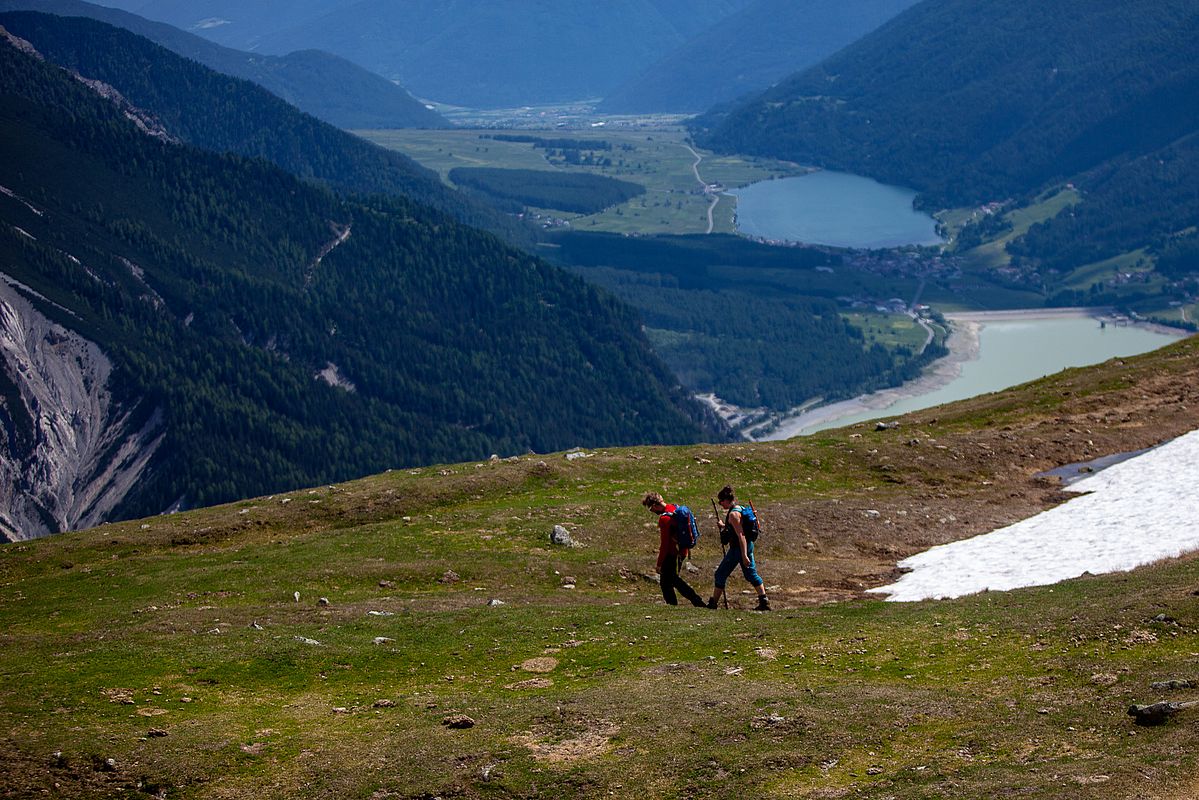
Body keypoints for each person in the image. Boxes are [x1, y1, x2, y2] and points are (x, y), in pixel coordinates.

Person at [708, 485, 770, 611]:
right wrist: (723, 526)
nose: (720, 504)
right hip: (748, 546)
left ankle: (713, 603)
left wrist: (744, 555)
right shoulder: (740, 508)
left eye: (721, 502)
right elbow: (736, 528)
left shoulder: (733, 515)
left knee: (720, 574)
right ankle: (764, 601)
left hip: (739, 548)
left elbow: (740, 535)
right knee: (751, 575)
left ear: (726, 500)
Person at [642, 492, 706, 608]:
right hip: (682, 551)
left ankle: (693, 602)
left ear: (655, 505)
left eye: (651, 508)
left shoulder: (665, 519)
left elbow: (665, 544)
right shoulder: (675, 508)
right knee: (669, 581)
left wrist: (659, 564)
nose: (652, 511)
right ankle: (682, 603)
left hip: (672, 554)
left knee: (671, 581)